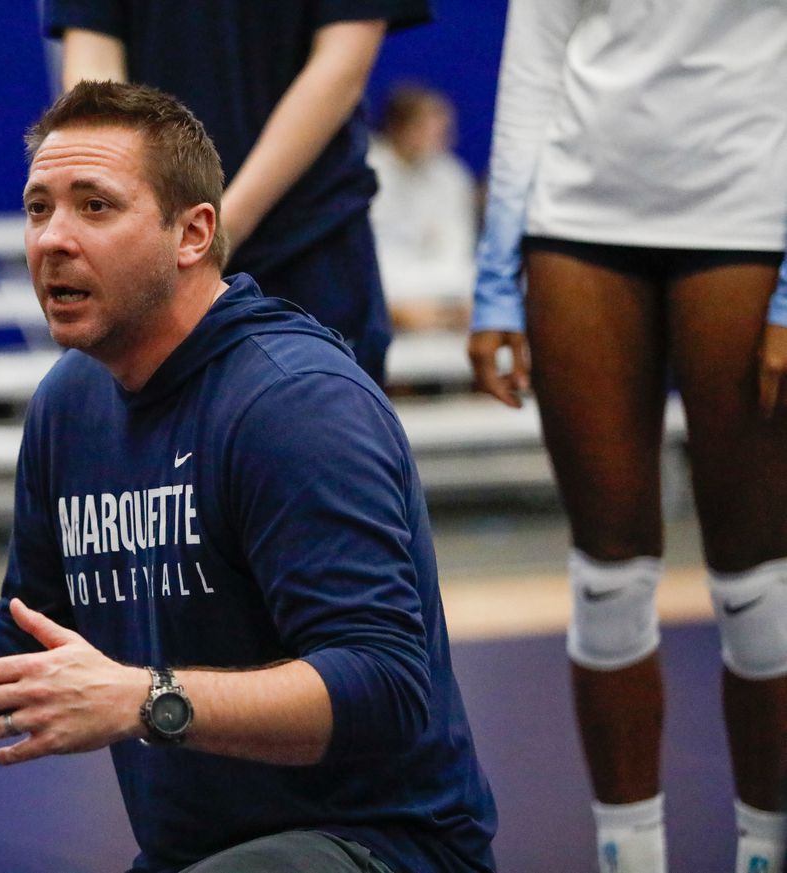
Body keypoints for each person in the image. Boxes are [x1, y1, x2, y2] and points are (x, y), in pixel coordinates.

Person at [0, 81, 497, 873]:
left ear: (193, 233)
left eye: (95, 206)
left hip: (381, 850)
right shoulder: (70, 405)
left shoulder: (296, 404)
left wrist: (145, 699)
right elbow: (26, 640)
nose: (52, 240)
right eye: (39, 208)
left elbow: (381, 685)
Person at [468, 2, 787, 871]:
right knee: (607, 578)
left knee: (760, 590)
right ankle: (627, 855)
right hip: (576, 230)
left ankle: (766, 851)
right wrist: (498, 280)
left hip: (747, 225)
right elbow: (533, 70)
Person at [42, 0, 429, 387]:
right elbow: (92, 59)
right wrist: (147, 223)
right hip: (144, 264)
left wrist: (214, 229)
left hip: (305, 253)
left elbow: (340, 66)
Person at [367, 83, 475, 333]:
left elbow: (457, 249)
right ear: (397, 127)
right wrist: (395, 310)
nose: (437, 137)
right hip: (387, 289)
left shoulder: (451, 176)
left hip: (440, 288)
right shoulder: (365, 172)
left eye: (442, 129)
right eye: (425, 128)